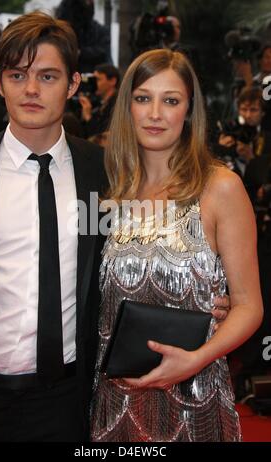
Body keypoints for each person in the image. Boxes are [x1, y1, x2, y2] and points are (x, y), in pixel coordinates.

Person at [90, 49, 263, 442]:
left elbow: (250, 305)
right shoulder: (111, 194)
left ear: (188, 111)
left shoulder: (220, 188)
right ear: (127, 107)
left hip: (194, 397)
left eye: (170, 100)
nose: (155, 113)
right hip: (116, 402)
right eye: (142, 98)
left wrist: (196, 359)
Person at [0, 12, 107, 442]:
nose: (30, 89)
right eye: (17, 74)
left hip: (67, 400)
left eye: (47, 76)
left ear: (72, 84)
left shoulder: (104, 174)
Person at [79, 63, 120, 138]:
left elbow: (103, 136)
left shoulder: (118, 105)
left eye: (98, 79)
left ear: (112, 81)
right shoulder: (97, 101)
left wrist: (88, 116)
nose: (94, 84)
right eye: (93, 80)